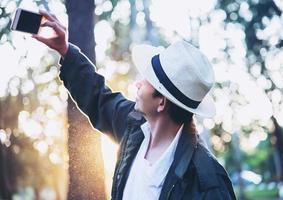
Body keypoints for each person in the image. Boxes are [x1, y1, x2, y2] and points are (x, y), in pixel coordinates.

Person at [33, 10, 236, 200]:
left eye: (147, 80)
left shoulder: (209, 183)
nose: (138, 83)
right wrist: (64, 49)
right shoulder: (134, 127)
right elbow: (98, 97)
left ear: (161, 102)